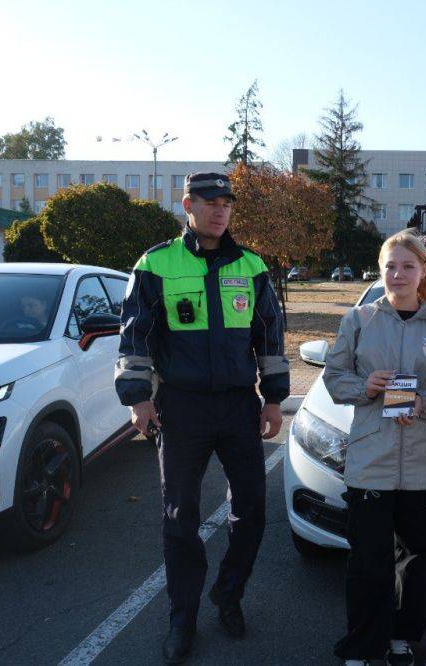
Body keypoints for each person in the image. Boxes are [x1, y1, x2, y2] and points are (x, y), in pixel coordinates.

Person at [114, 172, 289, 664]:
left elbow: (270, 338)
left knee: (252, 508)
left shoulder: (251, 265)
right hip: (182, 406)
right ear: (188, 205)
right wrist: (137, 397)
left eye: (227, 203)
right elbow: (134, 337)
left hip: (238, 406)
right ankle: (182, 617)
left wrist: (274, 398)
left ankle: (228, 595)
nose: (220, 210)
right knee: (179, 518)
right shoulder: (156, 262)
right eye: (210, 202)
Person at [323, 230, 426, 666]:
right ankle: (363, 647)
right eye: (390, 265)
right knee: (368, 562)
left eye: (407, 266)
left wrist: (425, 402)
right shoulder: (358, 320)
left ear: (423, 272)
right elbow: (333, 378)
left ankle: (403, 638)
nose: (397, 274)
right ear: (379, 269)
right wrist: (364, 386)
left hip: (424, 464)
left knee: (417, 562)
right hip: (371, 461)